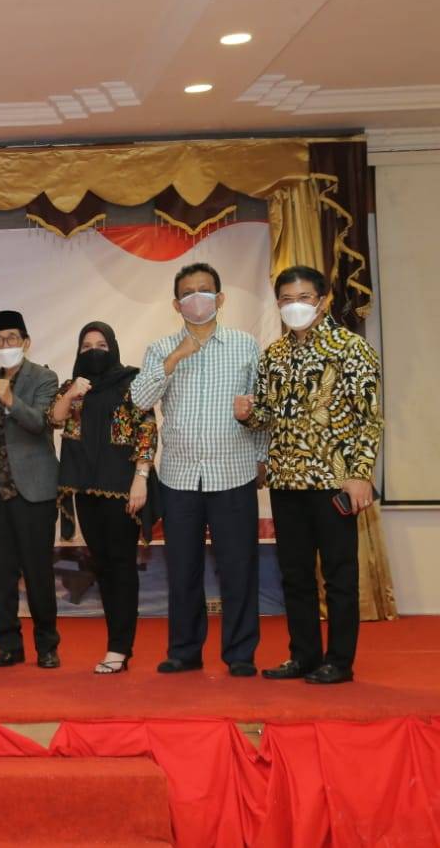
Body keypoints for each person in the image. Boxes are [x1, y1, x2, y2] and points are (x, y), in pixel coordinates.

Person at [236, 265, 383, 685]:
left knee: (339, 576)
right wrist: (248, 415)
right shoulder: (274, 355)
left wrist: (360, 474)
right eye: (286, 299)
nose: (294, 306)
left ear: (323, 299)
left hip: (333, 483)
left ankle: (339, 661)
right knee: (295, 575)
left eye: (303, 298)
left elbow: (369, 419)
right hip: (286, 481)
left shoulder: (351, 348)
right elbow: (269, 416)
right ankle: (303, 655)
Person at [131, 262, 268, 677]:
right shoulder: (161, 348)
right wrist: (175, 359)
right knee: (183, 569)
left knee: (238, 567)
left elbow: (263, 406)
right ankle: (184, 651)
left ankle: (240, 653)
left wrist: (262, 455)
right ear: (176, 304)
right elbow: (139, 400)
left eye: (204, 290)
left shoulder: (245, 346)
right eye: (187, 293)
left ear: (220, 298)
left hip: (234, 472)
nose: (196, 298)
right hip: (180, 477)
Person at [49, 322, 157, 674]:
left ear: (112, 347)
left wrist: (141, 477)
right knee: (103, 565)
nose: (93, 351)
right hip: (85, 488)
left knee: (121, 565)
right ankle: (117, 645)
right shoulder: (74, 386)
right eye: (86, 346)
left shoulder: (131, 382)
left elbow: (147, 429)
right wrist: (71, 394)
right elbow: (54, 418)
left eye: (100, 344)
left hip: (123, 488)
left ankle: (120, 648)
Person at [0, 310, 62, 669]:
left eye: (11, 338)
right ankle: (8, 645)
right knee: (0, 574)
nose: (5, 344)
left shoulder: (44, 378)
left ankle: (47, 646)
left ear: (26, 342)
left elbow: (40, 423)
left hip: (34, 491)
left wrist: (10, 400)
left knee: (38, 572)